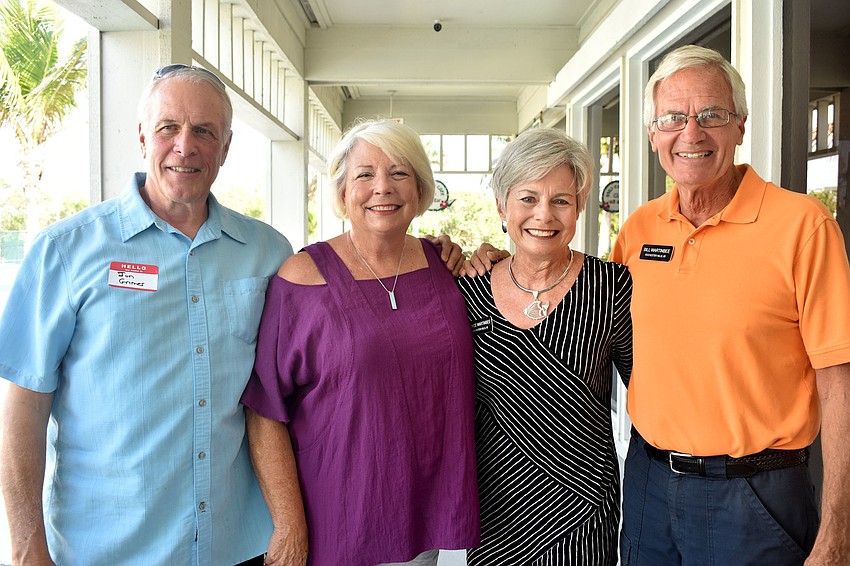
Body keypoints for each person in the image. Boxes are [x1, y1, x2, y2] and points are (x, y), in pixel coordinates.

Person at [0, 65, 294, 565]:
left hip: (235, 546)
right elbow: (23, 408)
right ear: (142, 138)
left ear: (225, 148)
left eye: (204, 131)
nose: (185, 145)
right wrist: (27, 545)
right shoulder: (66, 252)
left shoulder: (267, 252)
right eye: (168, 128)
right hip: (107, 551)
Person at [610, 45, 850, 565]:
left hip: (754, 495)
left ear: (740, 126)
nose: (691, 133)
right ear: (653, 135)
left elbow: (840, 383)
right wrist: (490, 260)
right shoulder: (638, 230)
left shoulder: (803, 227)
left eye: (711, 115)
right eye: (672, 118)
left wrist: (837, 532)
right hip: (648, 483)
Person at [240, 119, 480, 566]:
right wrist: (288, 525)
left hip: (420, 524)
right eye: (365, 174)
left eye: (399, 173)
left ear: (421, 188)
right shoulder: (302, 277)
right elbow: (264, 409)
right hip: (339, 521)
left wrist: (498, 258)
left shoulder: (444, 266)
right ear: (343, 190)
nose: (382, 188)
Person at [456, 128, 633, 564]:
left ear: (579, 209)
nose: (544, 215)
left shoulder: (613, 287)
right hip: (495, 511)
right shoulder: (467, 291)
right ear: (501, 206)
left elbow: (648, 391)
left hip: (583, 514)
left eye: (561, 200)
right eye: (528, 198)